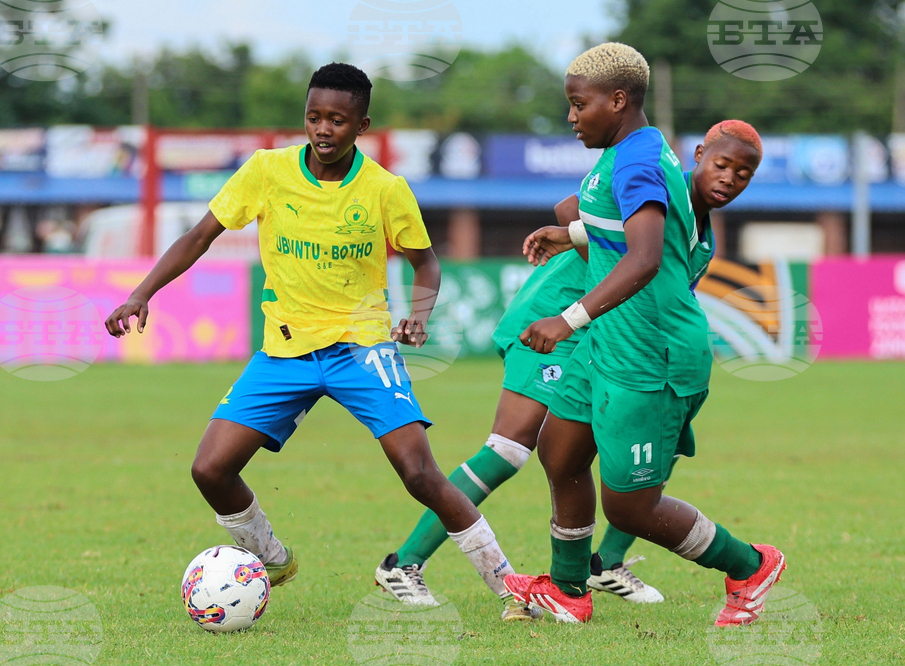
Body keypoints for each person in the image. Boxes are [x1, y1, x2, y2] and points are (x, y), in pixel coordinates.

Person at [104, 63, 522, 619]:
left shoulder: (384, 189)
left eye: (337, 120)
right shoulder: (267, 171)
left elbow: (426, 263)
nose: (323, 129)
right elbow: (200, 235)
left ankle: (512, 588)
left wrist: (418, 315)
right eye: (314, 117)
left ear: (361, 124)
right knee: (209, 470)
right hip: (285, 350)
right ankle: (271, 557)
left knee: (420, 473)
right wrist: (142, 293)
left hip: (362, 349)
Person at [376, 119, 762, 618]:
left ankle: (600, 568)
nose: (729, 176)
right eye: (722, 163)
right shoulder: (659, 181)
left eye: (743, 172)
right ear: (699, 154)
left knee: (621, 459)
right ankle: (404, 564)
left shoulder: (700, 233)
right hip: (558, 320)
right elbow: (575, 209)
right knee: (512, 448)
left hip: (603, 338)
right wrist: (576, 234)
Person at [502, 43, 786, 627]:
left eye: (578, 105)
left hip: (650, 358)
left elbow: (647, 257)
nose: (572, 117)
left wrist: (567, 319)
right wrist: (574, 233)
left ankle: (751, 566)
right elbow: (630, 224)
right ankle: (568, 589)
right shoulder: (637, 149)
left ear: (618, 100)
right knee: (559, 453)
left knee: (630, 509)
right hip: (612, 342)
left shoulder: (635, 161)